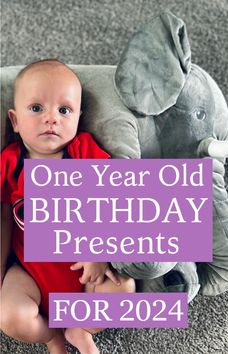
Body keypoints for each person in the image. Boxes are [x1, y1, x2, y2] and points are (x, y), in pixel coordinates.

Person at [0, 59, 135, 354]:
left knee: (124, 290)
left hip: (88, 275)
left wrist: (98, 251)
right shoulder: (13, 163)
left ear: (78, 118)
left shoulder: (82, 152)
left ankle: (80, 327)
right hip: (29, 274)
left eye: (64, 110)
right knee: (9, 316)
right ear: (15, 121)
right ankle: (50, 335)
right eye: (36, 108)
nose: (52, 118)